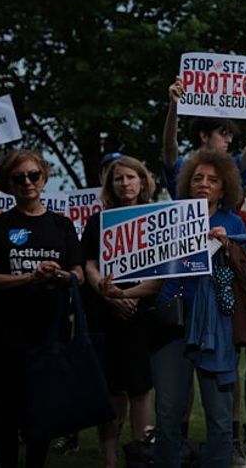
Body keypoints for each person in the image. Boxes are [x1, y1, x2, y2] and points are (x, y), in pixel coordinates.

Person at [0, 149, 83, 468]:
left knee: (42, 404)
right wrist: (27, 277)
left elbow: (78, 274)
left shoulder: (62, 225)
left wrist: (60, 275)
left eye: (33, 175)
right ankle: (5, 460)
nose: (27, 182)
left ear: (44, 178)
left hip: (50, 329)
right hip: (6, 329)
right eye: (18, 178)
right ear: (7, 184)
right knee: (6, 405)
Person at [149, 148, 246, 468]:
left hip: (216, 331)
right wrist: (120, 292)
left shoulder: (233, 221)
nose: (204, 184)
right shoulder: (170, 218)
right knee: (167, 414)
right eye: (197, 178)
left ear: (224, 188)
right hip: (172, 325)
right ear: (187, 183)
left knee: (220, 418)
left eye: (213, 180)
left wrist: (229, 245)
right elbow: (155, 273)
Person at [83, 156, 161, 468]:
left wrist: (129, 296)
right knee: (112, 392)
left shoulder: (157, 217)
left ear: (142, 181)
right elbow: (88, 263)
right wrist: (107, 292)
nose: (125, 183)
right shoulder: (97, 222)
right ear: (110, 185)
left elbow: (163, 269)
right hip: (106, 314)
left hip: (142, 314)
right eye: (119, 179)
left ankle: (142, 456)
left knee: (141, 390)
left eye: (131, 177)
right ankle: (110, 461)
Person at [161, 78, 246, 194]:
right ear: (204, 136)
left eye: (213, 180)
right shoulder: (181, 167)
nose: (229, 140)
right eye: (223, 134)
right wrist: (174, 105)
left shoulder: (232, 166)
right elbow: (169, 145)